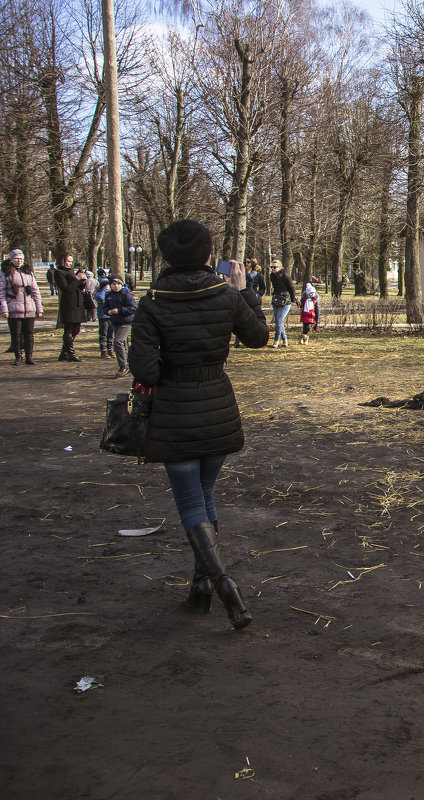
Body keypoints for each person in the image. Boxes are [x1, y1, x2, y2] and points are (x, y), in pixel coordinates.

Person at [129, 220, 268, 630]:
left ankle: (224, 584)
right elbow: (259, 338)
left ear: (166, 257)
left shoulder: (153, 301)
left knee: (192, 504)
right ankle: (201, 588)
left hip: (175, 412)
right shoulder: (225, 296)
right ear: (209, 256)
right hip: (218, 406)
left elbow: (145, 371)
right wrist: (244, 289)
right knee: (204, 499)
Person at [1, 249, 43, 364]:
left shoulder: (28, 271)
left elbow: (36, 291)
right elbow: (1, 292)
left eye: (21, 259)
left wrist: (39, 308)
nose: (19, 261)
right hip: (14, 308)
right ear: (11, 259)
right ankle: (18, 357)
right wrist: (4, 309)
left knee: (29, 333)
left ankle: (29, 357)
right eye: (17, 259)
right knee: (16, 334)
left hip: (29, 307)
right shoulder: (5, 272)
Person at [52, 254, 86, 362]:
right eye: (68, 261)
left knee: (76, 328)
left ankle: (64, 352)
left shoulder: (70, 272)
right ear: (62, 261)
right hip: (68, 304)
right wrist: (76, 279)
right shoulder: (59, 273)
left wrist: (82, 280)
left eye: (71, 261)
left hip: (77, 302)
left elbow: (78, 287)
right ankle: (71, 353)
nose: (70, 263)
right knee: (69, 329)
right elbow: (67, 288)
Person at [103, 275, 137, 377]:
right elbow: (105, 307)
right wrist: (108, 312)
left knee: (118, 341)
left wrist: (119, 310)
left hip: (127, 322)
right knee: (123, 344)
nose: (116, 286)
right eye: (113, 284)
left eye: (118, 284)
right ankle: (128, 365)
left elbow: (133, 308)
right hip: (115, 322)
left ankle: (123, 366)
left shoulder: (126, 294)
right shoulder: (109, 295)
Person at [267, 258, 297, 347]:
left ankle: (276, 341)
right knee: (278, 321)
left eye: (275, 267)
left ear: (279, 267)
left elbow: (291, 288)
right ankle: (285, 340)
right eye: (271, 267)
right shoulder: (272, 276)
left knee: (279, 320)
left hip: (285, 301)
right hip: (276, 300)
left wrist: (292, 299)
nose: (273, 269)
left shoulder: (285, 276)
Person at [95, 277, 114, 358]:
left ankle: (110, 349)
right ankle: (104, 351)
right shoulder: (98, 293)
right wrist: (104, 290)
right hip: (103, 316)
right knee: (103, 334)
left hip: (111, 316)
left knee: (111, 334)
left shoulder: (111, 293)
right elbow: (101, 298)